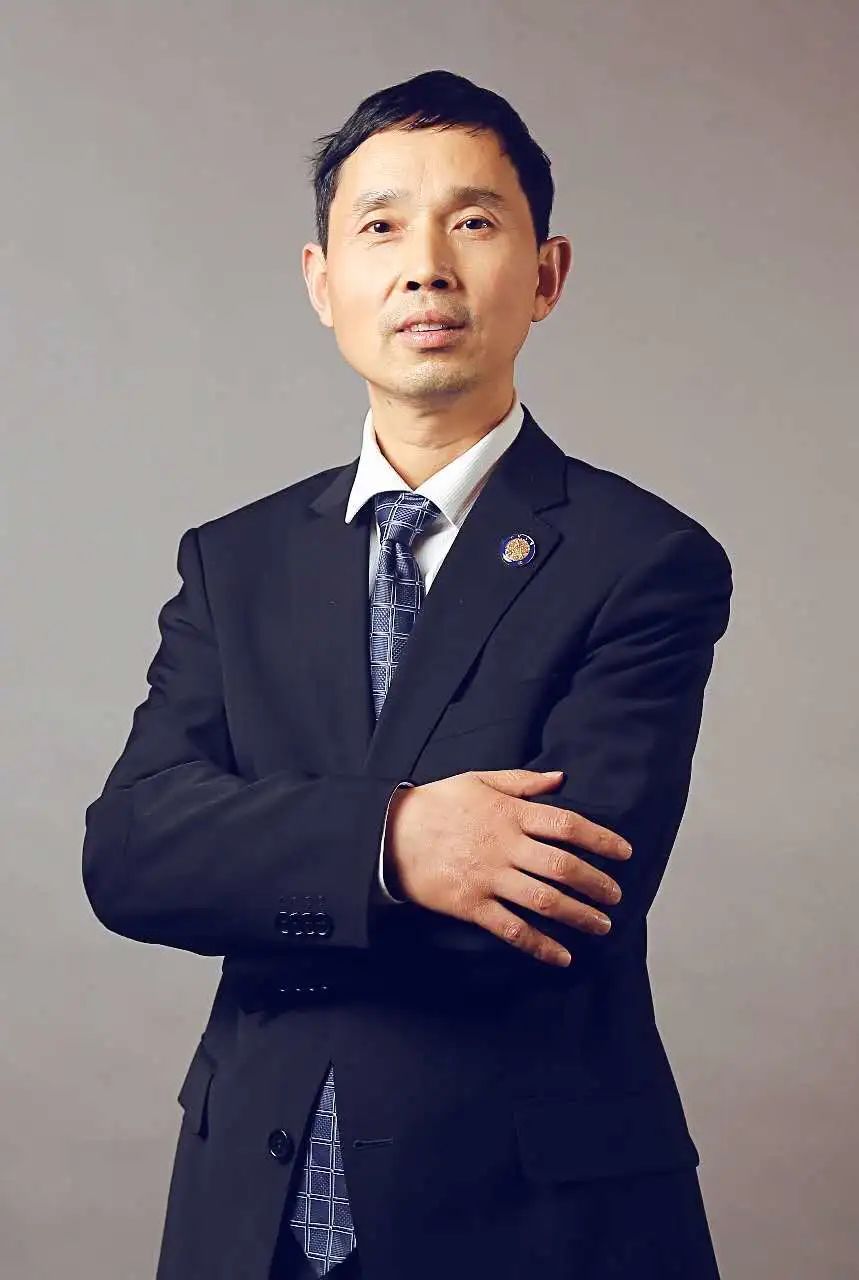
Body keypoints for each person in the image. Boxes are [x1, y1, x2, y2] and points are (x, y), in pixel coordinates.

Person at [82, 68, 731, 1280]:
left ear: (545, 275)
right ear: (322, 281)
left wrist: (260, 856)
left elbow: (556, 901)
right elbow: (128, 854)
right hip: (250, 1213)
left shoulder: (645, 559)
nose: (424, 266)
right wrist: (396, 839)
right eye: (379, 225)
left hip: (529, 1221)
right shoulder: (234, 560)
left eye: (471, 221)